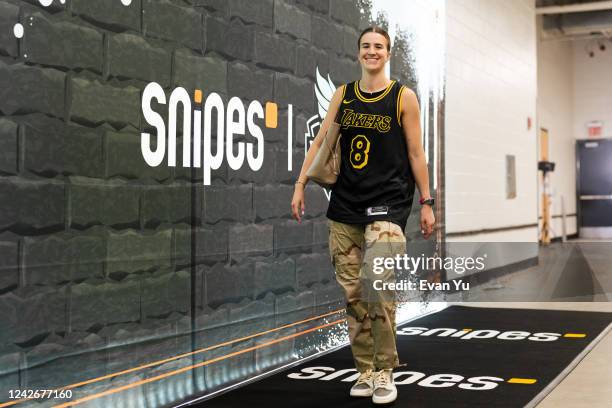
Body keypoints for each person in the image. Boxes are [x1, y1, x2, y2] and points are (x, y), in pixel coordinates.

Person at [291, 26, 435, 405]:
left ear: (388, 54)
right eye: (366, 46)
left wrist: (427, 201)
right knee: (354, 294)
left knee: (378, 286)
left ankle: (385, 370)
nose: (372, 52)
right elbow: (322, 140)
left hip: (389, 205)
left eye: (379, 47)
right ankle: (365, 370)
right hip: (345, 208)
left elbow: (417, 154)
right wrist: (300, 183)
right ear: (358, 53)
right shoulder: (345, 95)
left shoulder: (403, 98)